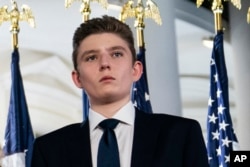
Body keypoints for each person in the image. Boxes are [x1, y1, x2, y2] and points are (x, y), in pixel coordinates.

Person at [31, 15, 209, 167]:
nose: (105, 64)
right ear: (77, 78)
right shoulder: (49, 149)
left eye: (116, 54)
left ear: (136, 70)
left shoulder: (181, 135)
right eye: (92, 57)